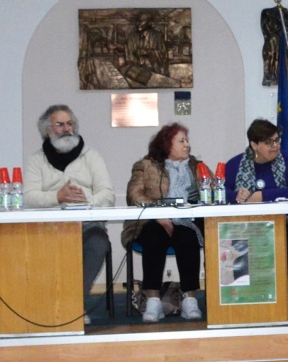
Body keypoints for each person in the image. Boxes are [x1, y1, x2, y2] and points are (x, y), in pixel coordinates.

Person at [23, 105, 114, 325]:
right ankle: (47, 304)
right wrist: (58, 196)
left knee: (98, 243)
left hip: (87, 222)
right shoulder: (36, 160)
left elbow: (108, 195)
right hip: (49, 224)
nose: (67, 129)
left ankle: (74, 304)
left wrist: (87, 199)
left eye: (70, 123)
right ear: (47, 130)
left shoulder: (91, 156)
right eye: (60, 124)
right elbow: (28, 197)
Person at [120, 123, 204, 323]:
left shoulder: (197, 166)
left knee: (188, 237)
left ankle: (190, 300)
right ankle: (153, 301)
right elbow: (134, 195)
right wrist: (157, 213)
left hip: (186, 222)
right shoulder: (145, 165)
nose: (187, 145)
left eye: (187, 140)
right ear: (167, 145)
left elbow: (211, 194)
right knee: (153, 236)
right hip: (152, 220)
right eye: (181, 141)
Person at [224, 119, 288, 204]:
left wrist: (263, 196)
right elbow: (220, 194)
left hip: (281, 216)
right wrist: (237, 195)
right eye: (268, 142)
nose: (275, 145)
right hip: (245, 216)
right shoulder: (234, 164)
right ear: (254, 145)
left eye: (276, 140)